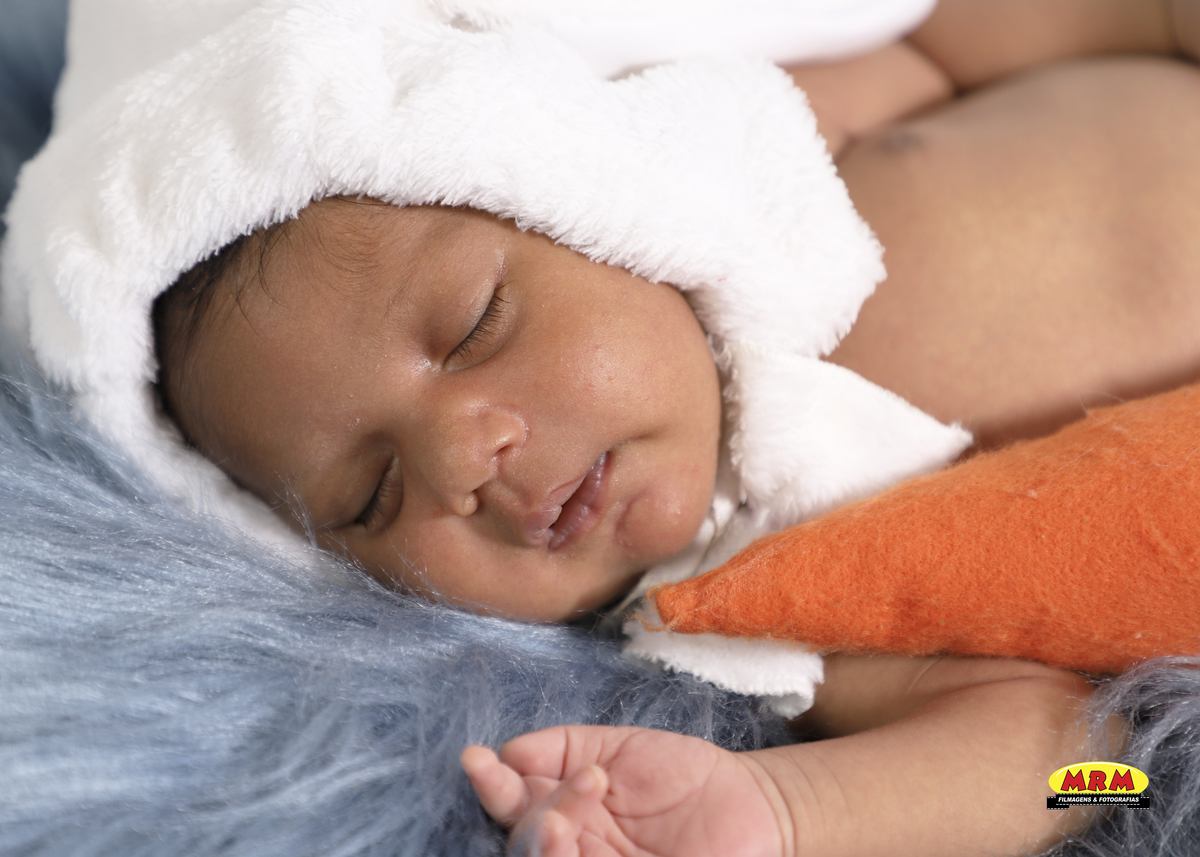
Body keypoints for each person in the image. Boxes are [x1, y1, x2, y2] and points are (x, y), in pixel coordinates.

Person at [141, 0, 1200, 854]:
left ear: (580, 203)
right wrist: (785, 811)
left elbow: (968, 29)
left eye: (474, 326)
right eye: (372, 497)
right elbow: (1093, 768)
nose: (461, 458)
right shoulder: (764, 597)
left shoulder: (780, 154)